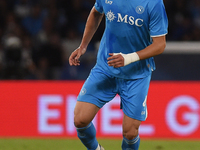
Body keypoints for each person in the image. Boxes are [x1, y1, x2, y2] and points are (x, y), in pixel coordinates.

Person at [69, 0, 168, 149]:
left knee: (130, 133)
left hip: (136, 75)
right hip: (105, 68)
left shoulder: (153, 3)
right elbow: (96, 12)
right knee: (80, 119)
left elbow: (160, 44)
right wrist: (83, 46)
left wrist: (128, 58)